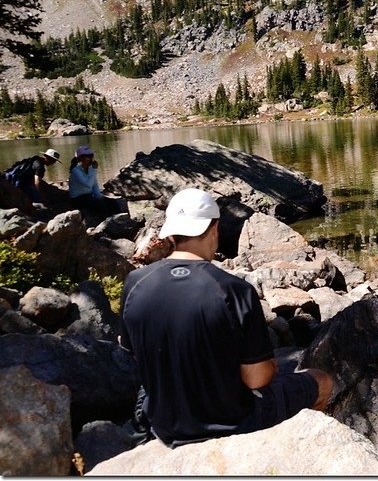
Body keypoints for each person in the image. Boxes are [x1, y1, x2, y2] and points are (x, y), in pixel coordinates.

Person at [119, 188, 333, 447]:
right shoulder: (234, 290)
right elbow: (257, 379)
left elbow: (134, 356)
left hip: (164, 424)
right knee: (321, 381)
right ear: (215, 229)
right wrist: (272, 366)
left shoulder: (135, 282)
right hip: (231, 423)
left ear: (171, 233)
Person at [68, 145, 122, 218]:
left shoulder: (90, 168)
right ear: (80, 158)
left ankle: (121, 219)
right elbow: (88, 184)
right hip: (78, 199)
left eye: (91, 156)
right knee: (100, 205)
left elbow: (94, 184)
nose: (91, 158)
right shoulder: (76, 171)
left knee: (112, 202)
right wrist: (94, 170)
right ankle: (108, 222)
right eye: (88, 156)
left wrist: (99, 196)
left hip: (89, 195)